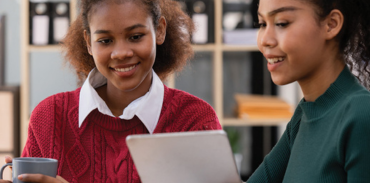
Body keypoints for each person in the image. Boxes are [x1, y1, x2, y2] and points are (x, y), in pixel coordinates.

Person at [0, 0, 222, 182]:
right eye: (105, 40)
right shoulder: (49, 117)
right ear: (89, 42)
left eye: (135, 37)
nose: (121, 53)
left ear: (160, 30)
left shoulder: (195, 121)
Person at [247, 0, 370, 182]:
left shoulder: (361, 115)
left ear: (331, 24)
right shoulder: (304, 115)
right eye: (262, 24)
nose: (264, 40)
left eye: (281, 23)